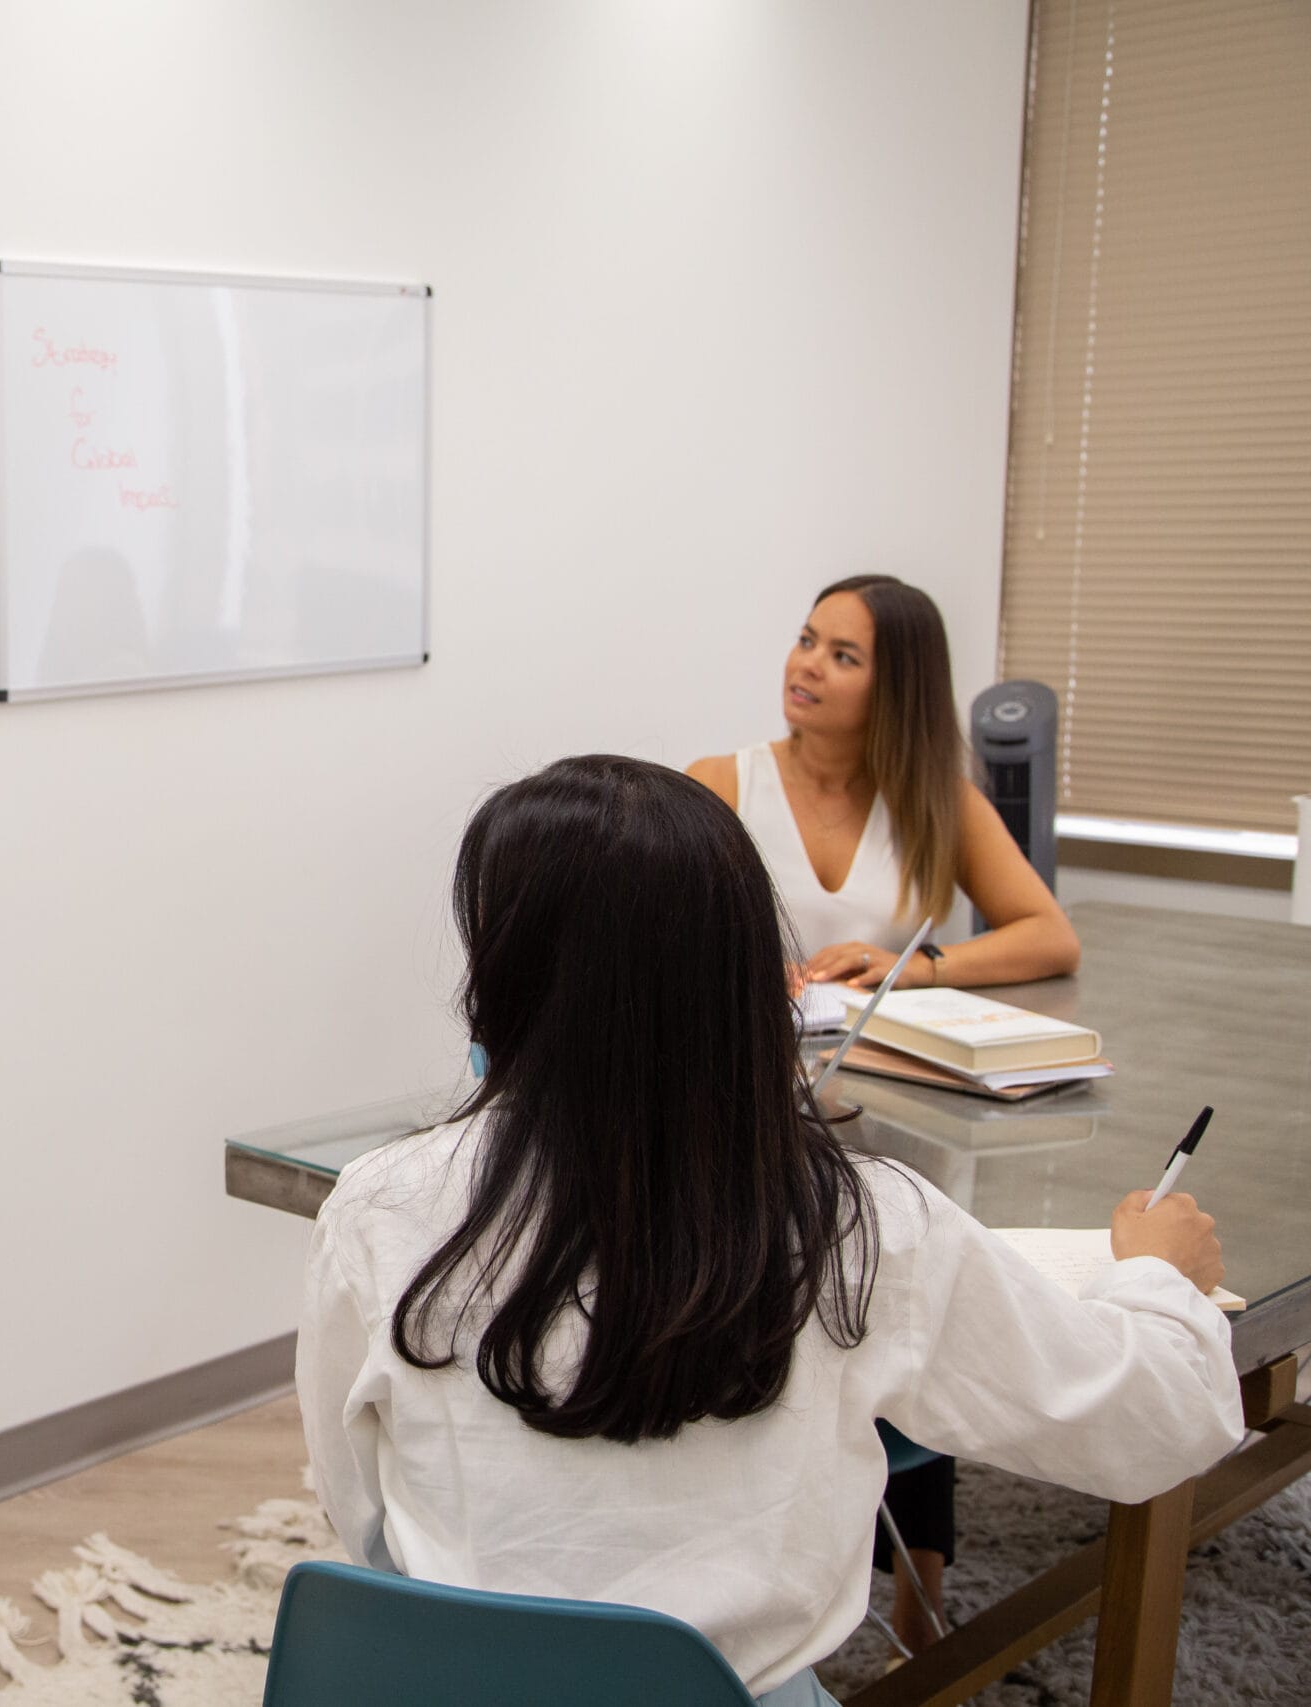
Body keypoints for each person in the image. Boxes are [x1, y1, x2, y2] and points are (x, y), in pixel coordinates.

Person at [298, 756, 1240, 1705]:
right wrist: (1157, 1276)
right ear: (745, 973)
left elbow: (361, 1505)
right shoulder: (859, 1226)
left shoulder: (380, 1205)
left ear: (504, 970)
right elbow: (1155, 1423)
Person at [685, 573, 1081, 1645]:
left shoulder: (937, 801)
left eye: (841, 655)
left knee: (906, 1333)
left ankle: (920, 1596)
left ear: (895, 683)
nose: (803, 666)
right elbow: (662, 941)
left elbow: (1046, 937)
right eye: (805, 640)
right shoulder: (718, 785)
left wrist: (917, 968)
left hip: (893, 1132)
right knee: (773, 1350)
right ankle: (753, 1576)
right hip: (743, 1128)